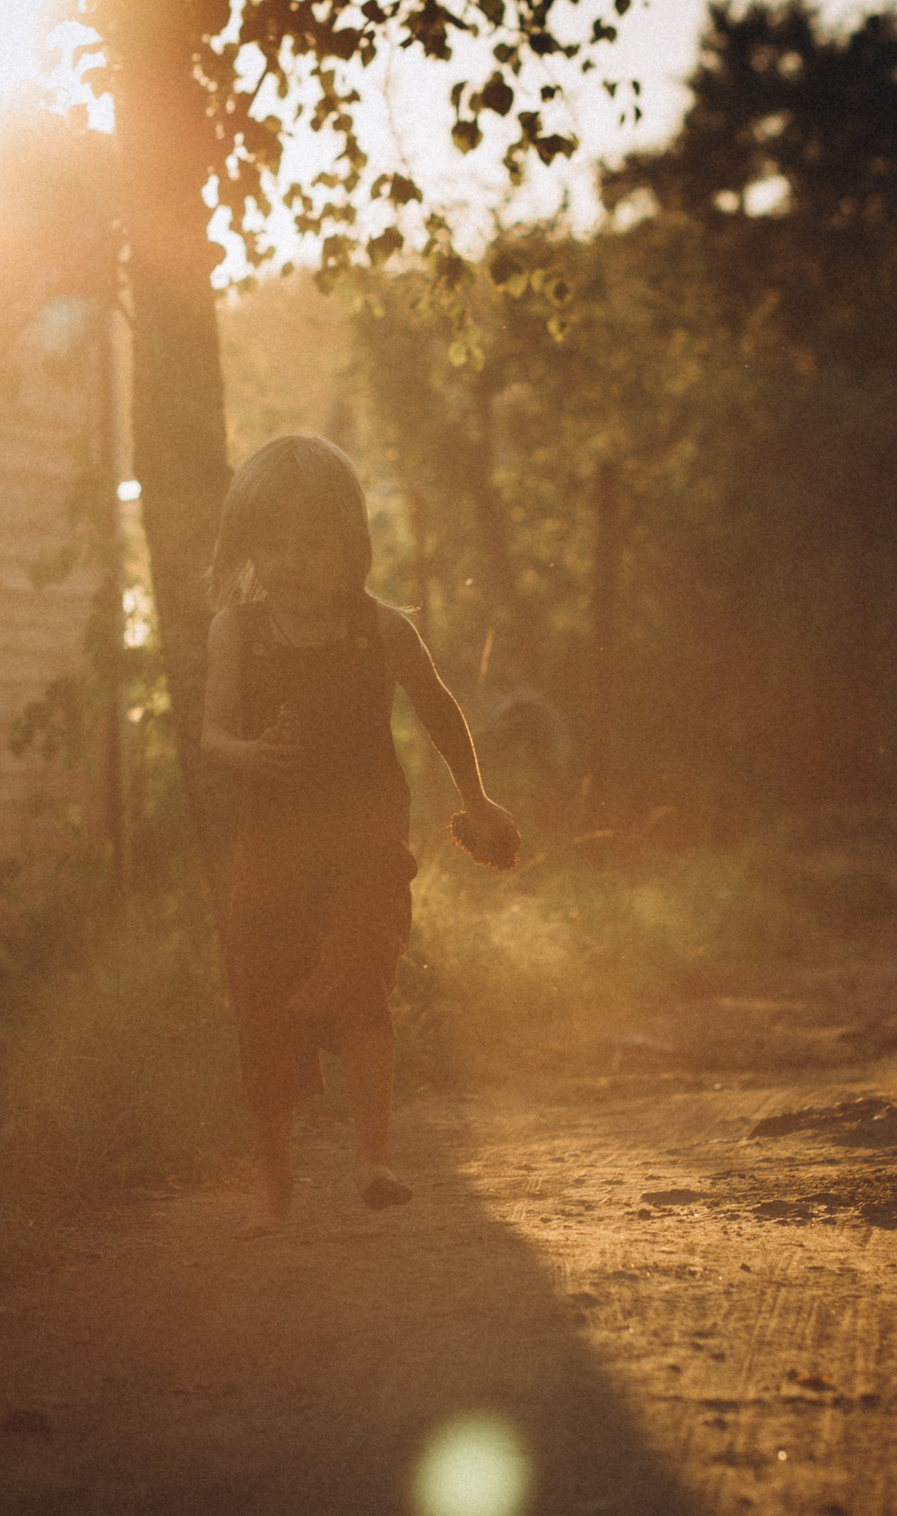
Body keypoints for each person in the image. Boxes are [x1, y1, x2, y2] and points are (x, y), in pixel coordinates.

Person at [201, 434, 521, 1239]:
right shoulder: (235, 632)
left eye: (313, 541)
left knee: (361, 976)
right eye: (272, 541)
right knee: (263, 1005)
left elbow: (439, 711)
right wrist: (252, 753)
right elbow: (210, 735)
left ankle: (373, 1160)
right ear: (247, 543)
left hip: (366, 844)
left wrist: (477, 798)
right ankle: (275, 1187)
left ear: (352, 544)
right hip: (270, 851)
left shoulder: (381, 629)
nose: (291, 560)